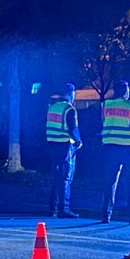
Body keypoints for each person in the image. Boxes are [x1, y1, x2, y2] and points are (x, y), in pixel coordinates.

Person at [100, 81, 130, 224]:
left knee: (109, 182)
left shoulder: (105, 105)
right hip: (128, 149)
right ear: (126, 92)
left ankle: (106, 215)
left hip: (109, 149)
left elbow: (102, 123)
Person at [46, 83, 82, 218]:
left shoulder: (52, 108)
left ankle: (53, 208)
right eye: (73, 94)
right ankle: (64, 208)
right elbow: (72, 128)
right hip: (65, 146)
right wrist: (78, 141)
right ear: (69, 94)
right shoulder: (69, 109)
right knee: (66, 178)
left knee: (55, 177)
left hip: (52, 145)